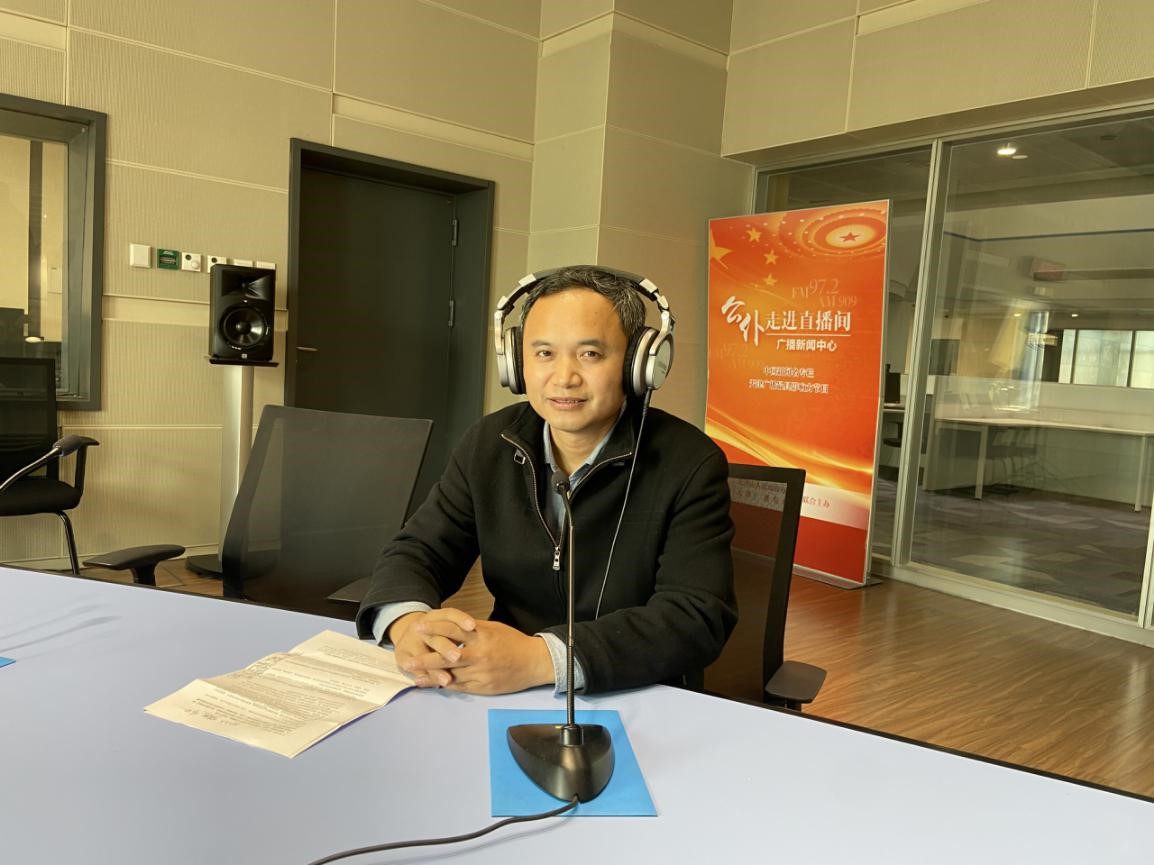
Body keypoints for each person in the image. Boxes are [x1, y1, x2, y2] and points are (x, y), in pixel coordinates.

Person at [356, 265, 735, 695]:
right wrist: (409, 624)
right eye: (544, 353)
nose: (564, 377)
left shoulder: (690, 462)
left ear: (638, 364)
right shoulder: (490, 442)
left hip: (632, 689)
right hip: (501, 682)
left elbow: (696, 614)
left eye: (590, 354)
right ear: (517, 362)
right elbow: (420, 550)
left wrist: (540, 659)